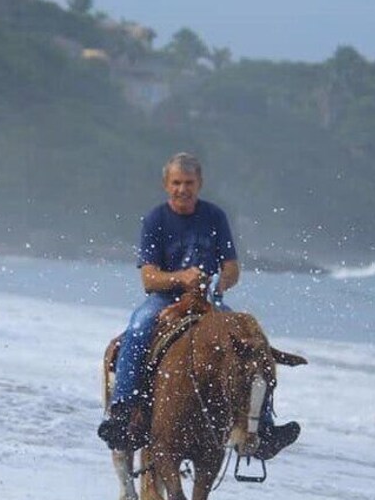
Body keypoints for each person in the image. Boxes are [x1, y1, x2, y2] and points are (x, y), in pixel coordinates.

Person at [97, 152, 300, 456]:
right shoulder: (155, 219)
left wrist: (225, 280)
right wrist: (182, 277)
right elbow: (149, 279)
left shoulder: (215, 216)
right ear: (166, 185)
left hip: (208, 301)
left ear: (200, 183)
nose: (183, 189)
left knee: (251, 339)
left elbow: (231, 265)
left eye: (189, 183)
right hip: (164, 299)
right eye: (176, 182)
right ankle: (123, 412)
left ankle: (265, 427)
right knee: (138, 328)